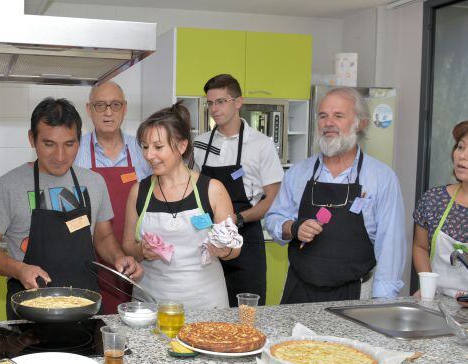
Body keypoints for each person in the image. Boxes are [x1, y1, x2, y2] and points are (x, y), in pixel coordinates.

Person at [0, 98, 143, 319]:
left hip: (86, 304)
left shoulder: (94, 182)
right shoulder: (8, 185)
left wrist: (119, 258)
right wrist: (18, 269)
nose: (60, 156)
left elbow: (103, 237)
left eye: (69, 144)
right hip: (30, 309)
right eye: (49, 144)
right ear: (31, 139)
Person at [264, 87, 406, 303]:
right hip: (299, 289)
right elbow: (273, 219)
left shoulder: (382, 178)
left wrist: (382, 303)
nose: (328, 123)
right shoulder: (298, 173)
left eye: (338, 116)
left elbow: (390, 245)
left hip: (354, 294)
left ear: (360, 123)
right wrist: (293, 228)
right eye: (323, 116)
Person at [123, 103, 240, 310]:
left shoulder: (212, 190)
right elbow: (128, 246)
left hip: (204, 301)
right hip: (151, 301)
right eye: (145, 146)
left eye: (158, 147)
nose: (149, 155)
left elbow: (234, 248)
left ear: (182, 146)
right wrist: (141, 250)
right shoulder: (139, 192)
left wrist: (224, 250)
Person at [193, 74, 284, 306]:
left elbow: (272, 199)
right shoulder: (200, 144)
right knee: (209, 310)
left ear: (238, 102)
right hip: (209, 241)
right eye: (210, 103)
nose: (214, 108)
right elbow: (194, 191)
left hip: (246, 240)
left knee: (246, 313)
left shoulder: (261, 144)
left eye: (221, 101)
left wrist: (237, 219)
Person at [74, 81, 152, 313]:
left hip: (137, 257)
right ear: (89, 110)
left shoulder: (142, 149)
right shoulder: (74, 150)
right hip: (88, 256)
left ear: (124, 108)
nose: (108, 112)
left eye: (115, 105)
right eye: (101, 105)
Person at [412, 121, 468, 301]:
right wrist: (429, 287)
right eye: (460, 147)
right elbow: (420, 247)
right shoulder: (435, 200)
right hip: (439, 304)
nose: (462, 156)